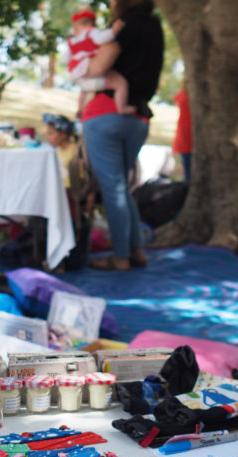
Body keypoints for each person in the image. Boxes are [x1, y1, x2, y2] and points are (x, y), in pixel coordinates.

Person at [79, 0, 164, 271]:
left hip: (105, 115)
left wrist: (87, 61)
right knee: (122, 189)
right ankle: (136, 250)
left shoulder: (124, 26)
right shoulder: (155, 27)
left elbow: (97, 68)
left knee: (113, 188)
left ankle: (120, 257)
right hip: (138, 117)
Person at [67, 6, 135, 119]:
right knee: (120, 84)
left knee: (84, 89)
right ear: (91, 22)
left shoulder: (72, 39)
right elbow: (101, 39)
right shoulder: (91, 31)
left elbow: (66, 58)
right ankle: (122, 107)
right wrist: (113, 31)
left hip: (77, 72)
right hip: (89, 67)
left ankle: (80, 108)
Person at [172, 84, 192, 183]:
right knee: (188, 166)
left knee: (188, 166)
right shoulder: (185, 93)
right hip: (186, 133)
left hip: (186, 132)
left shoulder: (183, 93)